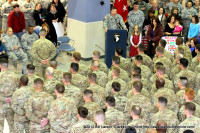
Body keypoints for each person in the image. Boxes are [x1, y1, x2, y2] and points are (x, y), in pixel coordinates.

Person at [0, 58, 19, 133]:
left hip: (1, 105)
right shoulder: (15, 76)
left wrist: (4, 99)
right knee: (12, 126)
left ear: (0, 65)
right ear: (8, 65)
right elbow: (18, 90)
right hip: (11, 104)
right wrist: (11, 98)